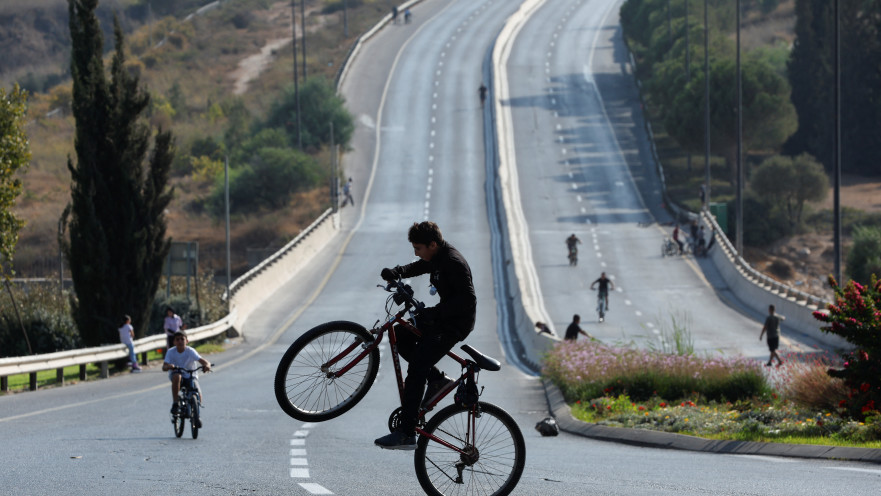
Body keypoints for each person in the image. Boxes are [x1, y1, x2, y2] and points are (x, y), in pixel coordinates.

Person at [374, 221, 476, 450]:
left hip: (454, 325)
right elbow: (420, 266)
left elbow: (468, 300)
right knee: (400, 333)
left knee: (418, 366)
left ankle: (407, 432)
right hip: (441, 319)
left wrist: (435, 313)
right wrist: (398, 272)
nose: (415, 252)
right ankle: (438, 380)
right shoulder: (437, 257)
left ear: (432, 244)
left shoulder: (453, 262)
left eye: (418, 248)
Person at [162, 331, 211, 417]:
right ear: (174, 342)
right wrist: (169, 366)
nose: (180, 341)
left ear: (187, 341)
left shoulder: (190, 351)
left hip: (190, 375)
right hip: (176, 375)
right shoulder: (170, 352)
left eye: (182, 339)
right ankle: (176, 403)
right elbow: (164, 367)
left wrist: (207, 365)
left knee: (198, 392)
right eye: (177, 339)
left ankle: (197, 415)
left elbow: (203, 361)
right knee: (177, 376)